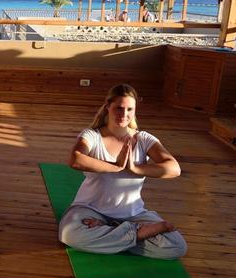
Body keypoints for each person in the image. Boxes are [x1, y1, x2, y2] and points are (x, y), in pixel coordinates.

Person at [58, 84, 187, 259]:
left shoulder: (143, 139)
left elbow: (174, 169)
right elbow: (75, 159)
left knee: (176, 246)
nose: (124, 114)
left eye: (129, 109)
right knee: (69, 234)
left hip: (132, 214)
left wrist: (135, 168)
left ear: (135, 111)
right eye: (119, 108)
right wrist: (116, 166)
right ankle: (135, 235)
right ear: (108, 107)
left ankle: (113, 233)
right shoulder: (92, 135)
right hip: (91, 209)